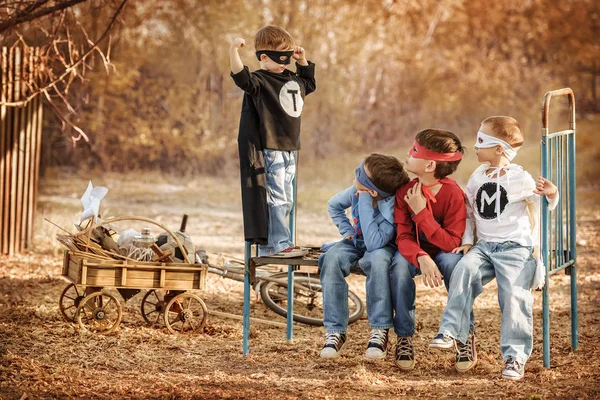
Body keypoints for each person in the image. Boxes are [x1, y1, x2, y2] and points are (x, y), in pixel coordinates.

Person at [429, 116, 559, 381]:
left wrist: (552, 193)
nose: (475, 147)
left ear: (499, 149)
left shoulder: (519, 178)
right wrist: (467, 240)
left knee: (513, 296)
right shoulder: (477, 177)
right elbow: (469, 214)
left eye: (481, 141)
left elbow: (544, 203)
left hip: (515, 250)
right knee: (463, 271)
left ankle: (515, 357)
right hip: (485, 247)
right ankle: (451, 330)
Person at [229, 25, 316, 258]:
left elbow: (310, 83)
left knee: (287, 198)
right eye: (281, 57)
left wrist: (303, 60)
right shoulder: (260, 81)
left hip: (291, 148)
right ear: (264, 57)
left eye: (288, 57)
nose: (285, 63)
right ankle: (280, 243)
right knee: (277, 196)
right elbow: (242, 78)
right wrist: (233, 52)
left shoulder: (292, 78)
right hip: (271, 147)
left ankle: (273, 243)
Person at [319, 153, 410, 359]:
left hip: (381, 246)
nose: (355, 173)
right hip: (356, 242)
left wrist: (366, 203)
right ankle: (335, 331)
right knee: (332, 258)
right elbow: (334, 205)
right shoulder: (355, 191)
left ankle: (380, 330)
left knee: (379, 261)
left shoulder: (392, 209)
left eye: (360, 173)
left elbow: (374, 243)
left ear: (373, 191)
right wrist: (346, 231)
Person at [390, 128, 467, 371]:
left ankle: (463, 335)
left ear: (430, 165)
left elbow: (452, 242)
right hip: (414, 252)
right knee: (400, 267)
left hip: (445, 250)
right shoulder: (404, 192)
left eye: (414, 151)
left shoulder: (454, 194)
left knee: (455, 264)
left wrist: (421, 213)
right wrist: (421, 256)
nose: (408, 153)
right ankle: (404, 336)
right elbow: (403, 236)